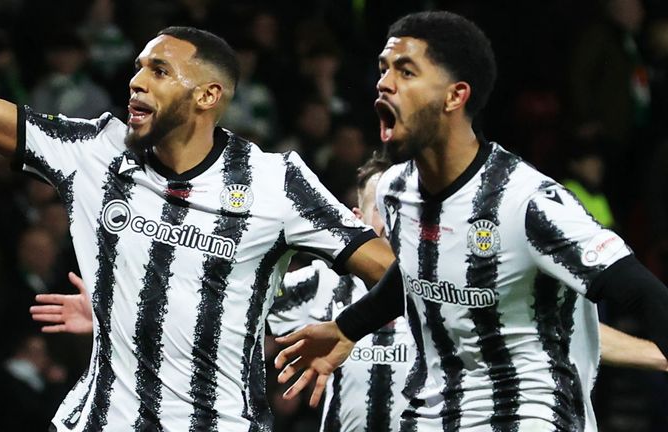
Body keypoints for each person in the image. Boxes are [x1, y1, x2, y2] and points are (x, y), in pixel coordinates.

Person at [0, 17, 394, 431]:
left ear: (207, 95)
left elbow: (395, 273)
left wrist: (350, 326)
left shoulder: (274, 182)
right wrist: (127, 312)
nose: (136, 80)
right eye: (138, 67)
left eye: (159, 70)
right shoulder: (95, 151)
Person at [33, 154, 668, 432]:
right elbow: (222, 306)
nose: (388, 225)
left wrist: (655, 352)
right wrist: (121, 310)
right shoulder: (320, 283)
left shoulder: (462, 282)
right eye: (374, 212)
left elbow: (564, 335)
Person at [273, 11, 668, 432]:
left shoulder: (527, 202)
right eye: (383, 69)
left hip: (528, 415)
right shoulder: (394, 191)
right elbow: (412, 274)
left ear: (454, 96)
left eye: (406, 72)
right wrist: (346, 328)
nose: (384, 83)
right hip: (433, 414)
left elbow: (645, 294)